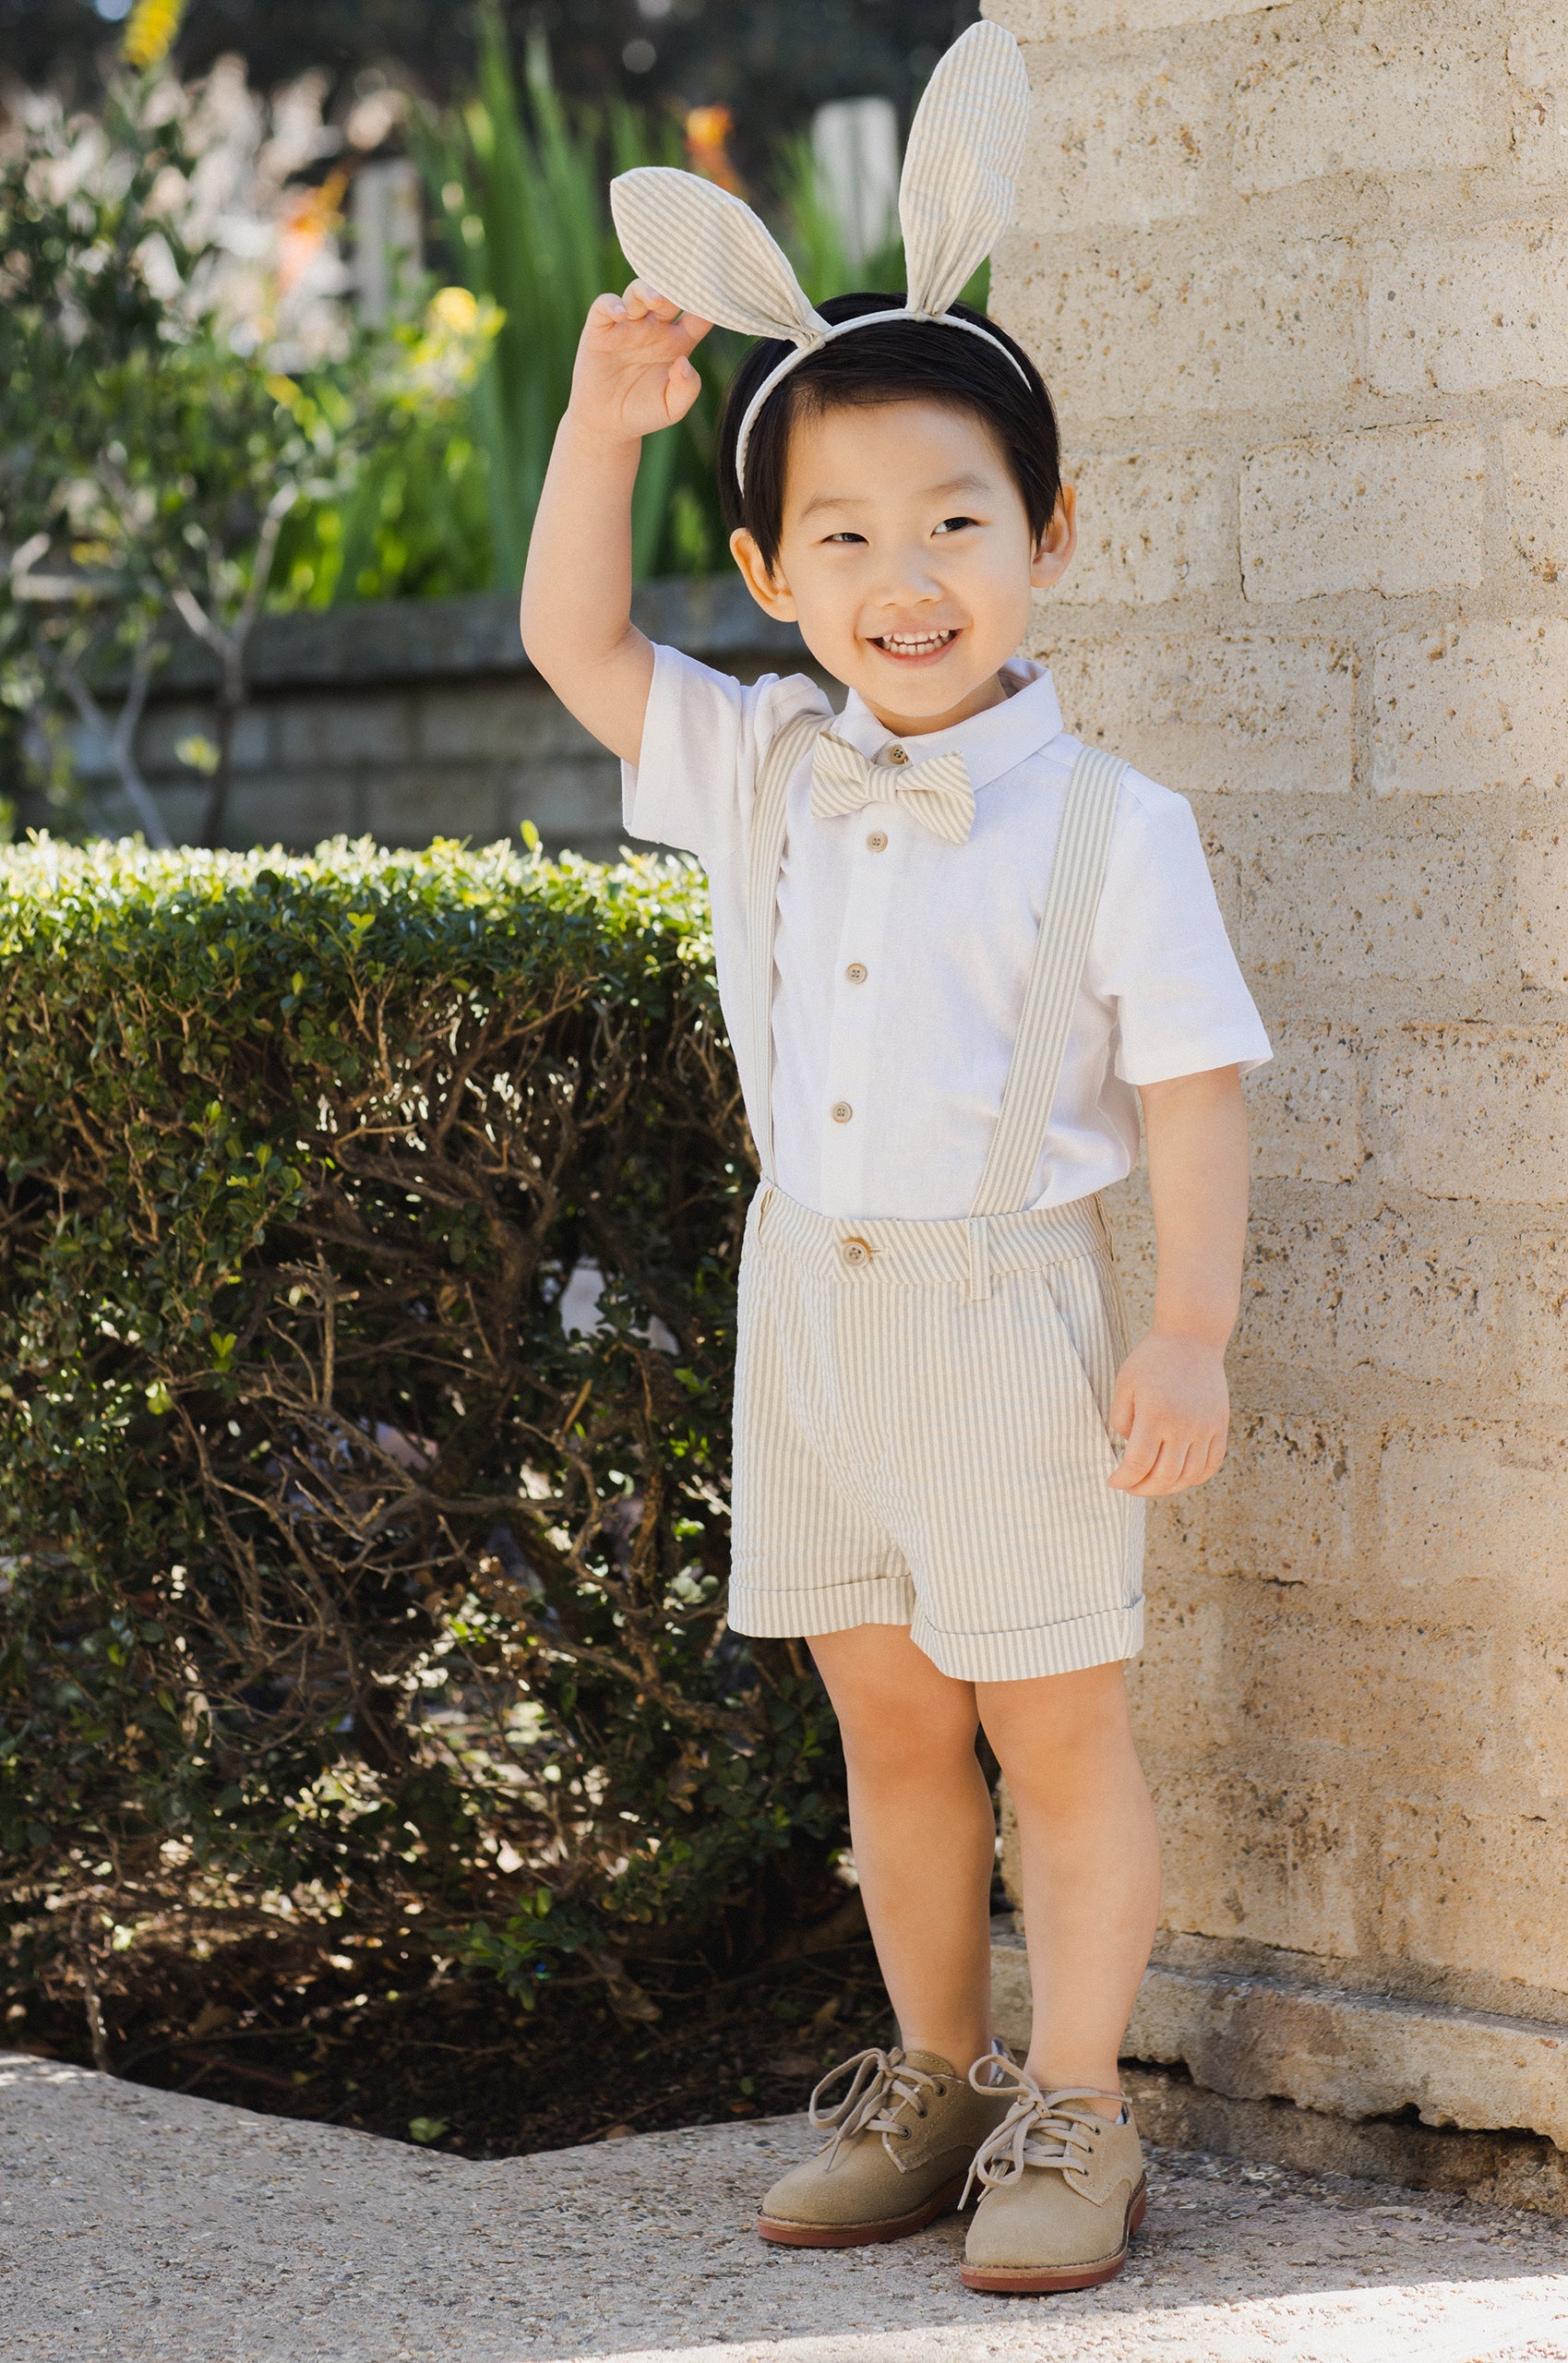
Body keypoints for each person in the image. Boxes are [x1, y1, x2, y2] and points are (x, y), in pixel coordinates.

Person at [520, 22, 1270, 2298]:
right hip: (812, 1309)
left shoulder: (1115, 821)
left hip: (1008, 1310)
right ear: (768, 564)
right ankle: (931, 2070)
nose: (903, 570)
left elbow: (1193, 1089)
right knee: (885, 1720)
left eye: (955, 519)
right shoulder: (754, 761)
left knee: (1056, 1723)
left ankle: (1079, 2106)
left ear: (1048, 534)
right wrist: (594, 425)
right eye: (840, 533)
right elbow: (571, 632)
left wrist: (1189, 1326)